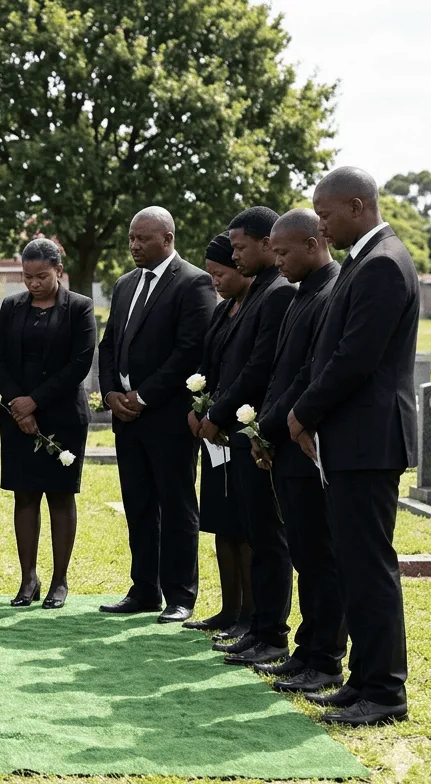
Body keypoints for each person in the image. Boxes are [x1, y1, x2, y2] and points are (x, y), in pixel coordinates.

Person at [289, 167, 418, 726]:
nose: (320, 221)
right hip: (352, 439)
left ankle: (385, 691)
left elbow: (356, 357)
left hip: (368, 439)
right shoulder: (367, 260)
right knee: (355, 561)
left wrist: (303, 411)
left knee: (369, 566)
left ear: (358, 205)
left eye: (326, 211)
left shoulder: (384, 263)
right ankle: (363, 680)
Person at [97, 207, 215, 623]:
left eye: (142, 239)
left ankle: (180, 594)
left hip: (166, 416)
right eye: (131, 238)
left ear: (167, 238)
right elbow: (109, 343)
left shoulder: (194, 282)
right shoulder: (126, 284)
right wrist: (111, 391)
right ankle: (144, 588)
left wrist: (143, 396)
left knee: (176, 503)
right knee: (139, 503)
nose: (133, 246)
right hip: (126, 417)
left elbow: (189, 351)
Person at [196, 207, 296, 668]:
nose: (234, 259)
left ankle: (267, 629)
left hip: (248, 428)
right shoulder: (256, 294)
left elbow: (258, 368)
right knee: (238, 525)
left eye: (238, 248)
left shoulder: (275, 295)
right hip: (230, 428)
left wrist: (217, 414)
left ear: (263, 243)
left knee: (265, 536)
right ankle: (252, 623)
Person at [251, 208, 346, 693]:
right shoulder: (300, 292)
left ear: (313, 244)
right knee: (306, 554)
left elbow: (310, 374)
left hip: (303, 439)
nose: (277, 259)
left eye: (284, 251)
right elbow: (278, 373)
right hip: (282, 437)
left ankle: (326, 658)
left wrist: (269, 427)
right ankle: (307, 650)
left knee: (320, 556)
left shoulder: (329, 292)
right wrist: (263, 432)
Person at [0, 239, 96, 609]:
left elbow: (79, 363)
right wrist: (19, 405)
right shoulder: (11, 306)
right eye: (27, 276)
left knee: (60, 495)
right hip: (17, 416)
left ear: (59, 271)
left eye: (41, 276)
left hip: (62, 415)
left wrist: (34, 401)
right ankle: (28, 578)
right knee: (24, 495)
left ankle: (59, 581)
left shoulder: (80, 308)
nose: (33, 283)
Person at [184, 234, 254, 640]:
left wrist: (220, 415)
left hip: (237, 429)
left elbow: (252, 370)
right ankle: (229, 610)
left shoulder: (261, 303)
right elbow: (206, 364)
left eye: (220, 273)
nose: (215, 281)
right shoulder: (223, 309)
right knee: (221, 525)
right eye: (210, 274)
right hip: (213, 434)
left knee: (245, 529)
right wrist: (198, 411)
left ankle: (250, 615)